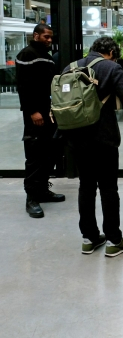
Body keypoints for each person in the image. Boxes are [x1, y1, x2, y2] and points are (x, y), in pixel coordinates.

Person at [63, 36, 123, 257]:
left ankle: (89, 238)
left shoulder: (70, 67)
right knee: (108, 188)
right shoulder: (111, 68)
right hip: (103, 138)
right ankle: (114, 241)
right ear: (111, 53)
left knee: (86, 186)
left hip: (76, 138)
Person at [16, 23, 65, 219]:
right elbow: (23, 86)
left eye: (51, 37)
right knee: (35, 156)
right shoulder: (27, 54)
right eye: (46, 37)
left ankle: (43, 190)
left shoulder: (46, 56)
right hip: (35, 115)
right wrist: (32, 111)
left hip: (49, 113)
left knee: (49, 152)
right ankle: (31, 198)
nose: (49, 40)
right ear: (36, 35)